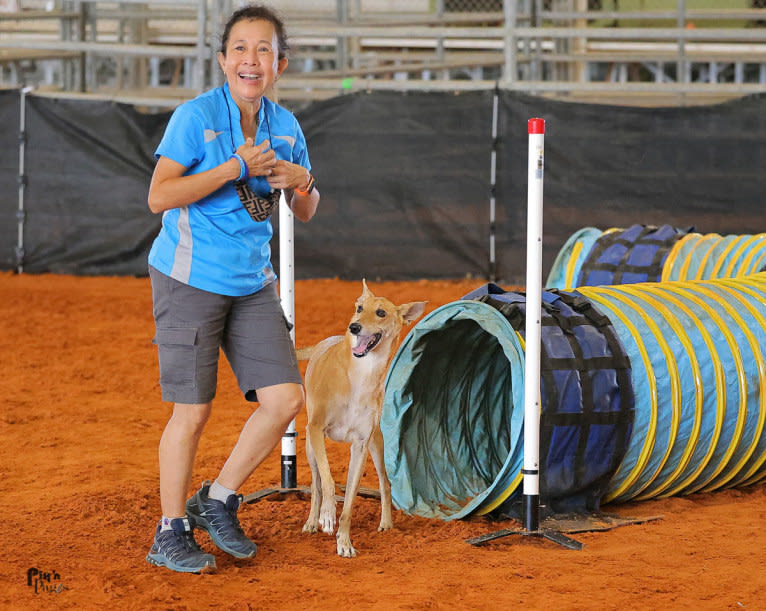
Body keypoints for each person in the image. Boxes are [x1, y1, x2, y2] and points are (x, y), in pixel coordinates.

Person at [144, 4, 319, 574]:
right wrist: (232, 168)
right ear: (223, 60)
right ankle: (170, 533)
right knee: (191, 412)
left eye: (263, 49)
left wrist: (302, 181)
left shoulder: (287, 128)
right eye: (240, 48)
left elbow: (307, 209)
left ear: (280, 64)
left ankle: (216, 499)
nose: (252, 59)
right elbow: (159, 197)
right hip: (189, 276)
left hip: (251, 282)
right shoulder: (195, 117)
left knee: (286, 400)